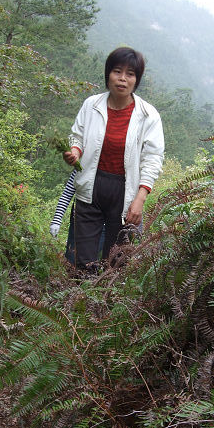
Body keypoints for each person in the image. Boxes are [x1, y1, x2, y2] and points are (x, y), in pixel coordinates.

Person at [63, 47, 164, 271]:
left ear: (136, 80)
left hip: (125, 192)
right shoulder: (91, 106)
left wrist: (140, 199)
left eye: (130, 74)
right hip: (91, 184)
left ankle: (106, 303)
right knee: (83, 260)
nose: (122, 78)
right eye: (117, 71)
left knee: (117, 260)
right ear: (108, 73)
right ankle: (81, 300)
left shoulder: (148, 116)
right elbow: (77, 136)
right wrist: (75, 151)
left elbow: (153, 159)